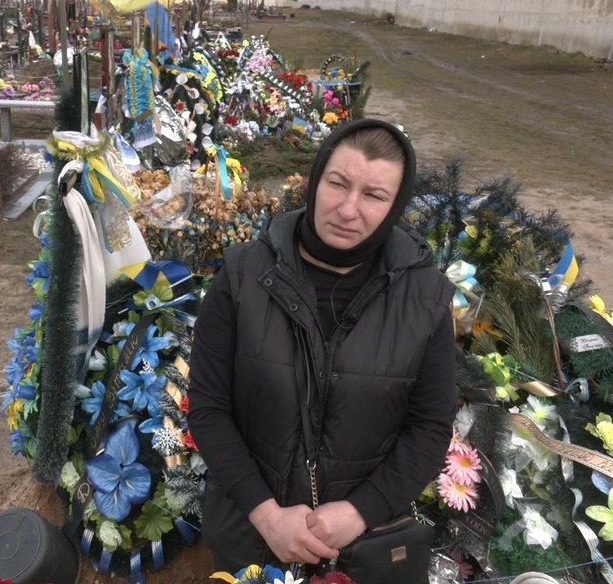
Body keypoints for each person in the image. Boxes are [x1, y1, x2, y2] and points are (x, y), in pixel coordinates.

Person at [187, 118, 456, 574]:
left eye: (374, 196)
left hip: (364, 547)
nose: (348, 210)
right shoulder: (243, 276)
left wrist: (359, 512)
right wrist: (266, 516)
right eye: (338, 184)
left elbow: (429, 427)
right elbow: (209, 407)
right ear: (314, 182)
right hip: (248, 535)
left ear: (395, 206)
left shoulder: (425, 299)